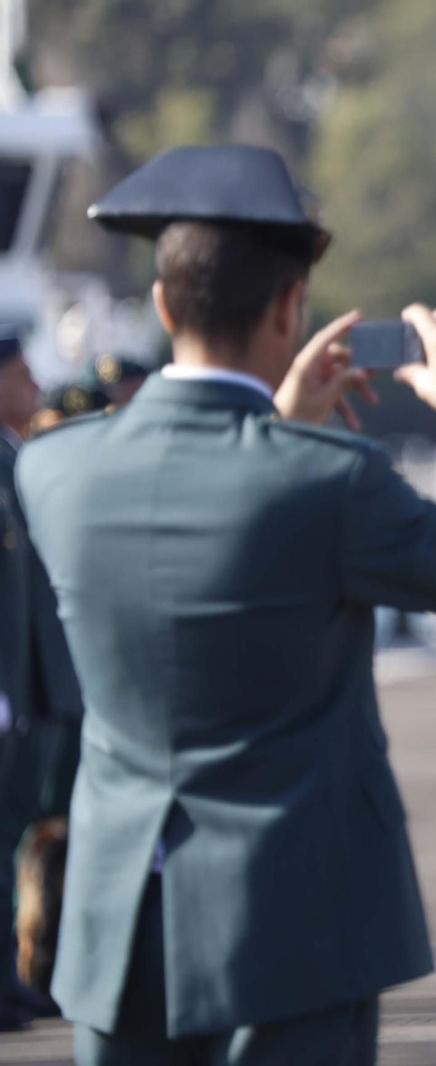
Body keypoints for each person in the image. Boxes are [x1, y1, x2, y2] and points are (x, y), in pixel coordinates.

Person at [17, 144, 436, 1064]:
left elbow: (207, 502)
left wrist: (277, 432)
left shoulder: (50, 468)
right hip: (294, 931)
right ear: (289, 308)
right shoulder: (331, 483)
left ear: (160, 305)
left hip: (119, 926)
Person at [0, 332, 82, 1031]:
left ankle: (10, 977)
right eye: (20, 374)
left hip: (32, 689)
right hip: (11, 688)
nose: (34, 386)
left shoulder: (17, 459)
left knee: (15, 837)